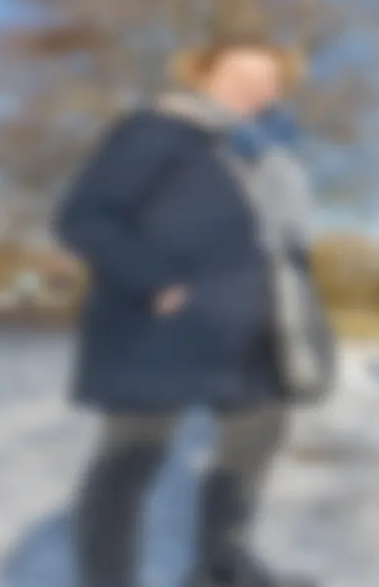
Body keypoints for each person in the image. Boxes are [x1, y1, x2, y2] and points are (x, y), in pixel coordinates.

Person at [56, 37, 333, 587]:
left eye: (267, 77)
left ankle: (221, 566)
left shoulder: (270, 150)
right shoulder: (159, 131)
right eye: (240, 72)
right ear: (204, 74)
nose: (255, 86)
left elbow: (278, 244)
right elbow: (87, 217)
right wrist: (155, 282)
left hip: (253, 331)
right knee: (129, 464)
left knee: (252, 447)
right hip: (161, 331)